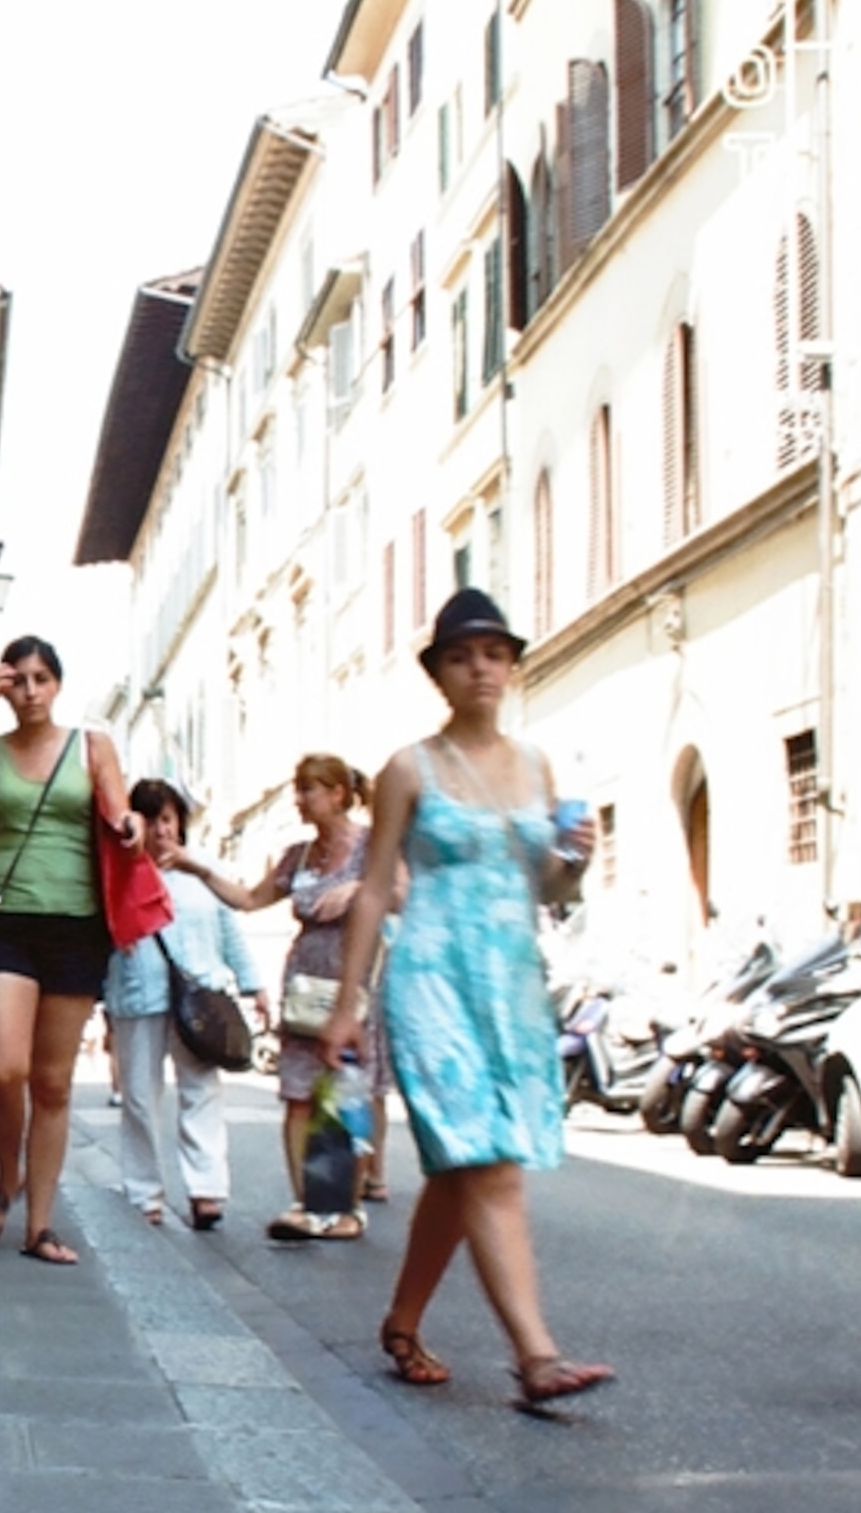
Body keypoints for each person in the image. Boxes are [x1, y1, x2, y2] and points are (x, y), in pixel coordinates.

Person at [319, 590, 615, 1407]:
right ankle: (537, 1355)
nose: (480, 667)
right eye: (461, 655)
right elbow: (374, 889)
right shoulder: (408, 769)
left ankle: (403, 1320)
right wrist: (348, 1003)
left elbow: (548, 882)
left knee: (465, 1165)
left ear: (512, 666)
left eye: (494, 653)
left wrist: (577, 860)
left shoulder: (537, 765)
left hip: (513, 982)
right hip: (432, 980)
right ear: (439, 674)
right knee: (487, 1161)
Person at [0, 633, 139, 1266]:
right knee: (3, 1069)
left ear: (57, 684)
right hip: (10, 924)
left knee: (51, 1084)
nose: (29, 691)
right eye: (17, 680)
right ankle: (6, 1177)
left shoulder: (92, 746)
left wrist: (130, 829)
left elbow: (118, 812)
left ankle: (39, 1225)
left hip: (78, 929)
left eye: (40, 679)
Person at [192, 752, 393, 1240]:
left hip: (355, 986)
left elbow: (402, 889)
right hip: (305, 989)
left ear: (338, 795)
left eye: (308, 790)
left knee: (345, 1093)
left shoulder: (372, 848)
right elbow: (248, 899)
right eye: (298, 790)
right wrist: (197, 868)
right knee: (299, 1096)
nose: (299, 800)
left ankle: (345, 1207)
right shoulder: (297, 856)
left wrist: (360, 889)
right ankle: (309, 1203)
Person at [103, 780, 264, 1229]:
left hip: (201, 995)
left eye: (168, 819)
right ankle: (144, 1191)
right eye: (150, 820)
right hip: (139, 996)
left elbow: (230, 930)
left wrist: (254, 986)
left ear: (181, 823)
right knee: (138, 1095)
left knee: (202, 1092)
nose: (160, 831)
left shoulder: (203, 870)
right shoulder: (116, 871)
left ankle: (207, 1190)